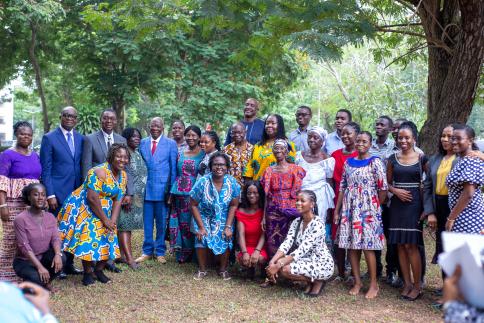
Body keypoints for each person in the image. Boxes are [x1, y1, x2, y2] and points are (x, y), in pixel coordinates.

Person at [58, 143, 129, 286]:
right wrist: (104, 219)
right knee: (90, 237)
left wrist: (112, 221)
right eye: (119, 156)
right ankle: (88, 272)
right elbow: (92, 198)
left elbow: (118, 199)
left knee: (109, 235)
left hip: (106, 208)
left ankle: (99, 270)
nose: (122, 160)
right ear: (111, 157)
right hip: (86, 206)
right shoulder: (98, 171)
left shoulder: (123, 175)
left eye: (126, 157)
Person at [334, 131, 388, 299]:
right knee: (352, 245)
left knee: (368, 246)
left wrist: (375, 207)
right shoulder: (349, 162)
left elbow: (383, 188)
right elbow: (342, 187)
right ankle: (357, 281)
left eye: (364, 141)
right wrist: (337, 210)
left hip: (368, 210)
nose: (360, 143)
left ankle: (373, 283)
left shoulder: (375, 162)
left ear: (370, 143)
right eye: (358, 141)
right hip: (350, 209)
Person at [81, 108, 131, 273]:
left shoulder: (121, 139)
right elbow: (87, 165)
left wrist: (127, 193)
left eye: (112, 118)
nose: (109, 121)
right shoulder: (90, 139)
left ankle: (106, 263)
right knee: (91, 233)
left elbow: (125, 169)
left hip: (112, 195)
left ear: (116, 121)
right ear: (101, 119)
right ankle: (89, 269)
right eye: (105, 118)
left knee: (109, 229)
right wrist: (88, 191)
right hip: (94, 194)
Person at [39, 106, 84, 278]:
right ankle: (57, 267)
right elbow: (46, 169)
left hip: (76, 193)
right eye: (66, 115)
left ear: (76, 119)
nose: (69, 118)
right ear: (60, 117)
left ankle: (70, 264)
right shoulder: (49, 138)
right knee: (56, 230)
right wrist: (50, 194)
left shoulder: (80, 139)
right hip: (57, 194)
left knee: (73, 228)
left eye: (73, 116)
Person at [387, 121, 428, 301]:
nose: (403, 141)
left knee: (412, 245)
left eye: (407, 138)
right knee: (400, 246)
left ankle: (418, 286)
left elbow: (429, 182)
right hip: (397, 205)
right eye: (400, 137)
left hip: (414, 204)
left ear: (414, 139)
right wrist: (395, 191)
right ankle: (407, 283)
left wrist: (427, 208)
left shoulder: (421, 158)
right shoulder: (392, 158)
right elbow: (386, 184)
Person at [265, 190, 334, 297]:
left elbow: (302, 249)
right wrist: (272, 261)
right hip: (305, 260)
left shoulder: (318, 223)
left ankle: (318, 281)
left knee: (284, 268)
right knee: (280, 265)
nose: (298, 203)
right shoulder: (297, 222)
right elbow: (286, 243)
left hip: (321, 263)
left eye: (302, 201)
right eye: (297, 200)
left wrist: (278, 265)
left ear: (312, 204)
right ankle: (310, 281)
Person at [0, 121, 41, 282]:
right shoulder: (7, 155)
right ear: (16, 134)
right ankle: (5, 276)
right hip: (13, 203)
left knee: (29, 239)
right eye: (23, 134)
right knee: (11, 238)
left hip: (32, 205)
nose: (26, 137)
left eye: (29, 134)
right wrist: (2, 205)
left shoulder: (34, 155)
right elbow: (1, 181)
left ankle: (25, 274)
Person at [190, 152, 240, 280]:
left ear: (227, 167)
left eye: (222, 165)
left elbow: (234, 205)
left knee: (226, 236)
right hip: (204, 215)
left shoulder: (232, 182)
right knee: (201, 237)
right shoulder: (203, 181)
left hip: (224, 216)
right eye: (216, 164)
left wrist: (228, 226)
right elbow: (193, 204)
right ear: (211, 166)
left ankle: (223, 269)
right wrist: (201, 227)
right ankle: (202, 269)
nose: (219, 167)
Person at [135, 117, 177, 265]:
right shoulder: (142, 143)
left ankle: (160, 251)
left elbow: (173, 168)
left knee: (161, 223)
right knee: (147, 223)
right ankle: (147, 251)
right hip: (146, 190)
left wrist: (171, 191)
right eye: (152, 125)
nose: (155, 128)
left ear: (163, 127)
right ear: (148, 127)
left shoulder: (171, 144)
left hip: (162, 190)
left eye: (158, 126)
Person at [13, 183, 65, 290]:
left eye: (43, 194)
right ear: (29, 197)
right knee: (35, 278)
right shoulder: (20, 219)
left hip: (44, 258)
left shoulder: (50, 217)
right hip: (25, 261)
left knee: (62, 258)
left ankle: (46, 283)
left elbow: (56, 238)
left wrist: (57, 254)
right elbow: (24, 246)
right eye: (36, 194)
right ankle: (34, 282)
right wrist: (40, 267)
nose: (40, 198)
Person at [260, 139, 305, 260]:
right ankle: (272, 271)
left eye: (281, 148)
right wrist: (264, 217)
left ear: (286, 152)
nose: (278, 150)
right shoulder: (268, 171)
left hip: (291, 211)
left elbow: (299, 194)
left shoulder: (296, 169)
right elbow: (266, 196)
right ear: (273, 151)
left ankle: (288, 270)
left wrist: (301, 212)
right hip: (273, 211)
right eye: (276, 148)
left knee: (291, 239)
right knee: (272, 239)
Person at [169, 125, 205, 263]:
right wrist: (171, 193)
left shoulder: (203, 153)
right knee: (179, 224)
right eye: (188, 135)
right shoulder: (180, 152)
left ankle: (194, 253)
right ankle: (182, 252)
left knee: (191, 223)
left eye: (194, 135)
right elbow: (175, 172)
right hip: (178, 192)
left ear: (199, 137)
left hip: (194, 195)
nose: (190, 138)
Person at [330, 121, 359, 280]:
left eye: (349, 133)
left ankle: (353, 273)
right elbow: (332, 181)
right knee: (337, 237)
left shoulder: (360, 155)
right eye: (343, 133)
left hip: (356, 199)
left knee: (354, 236)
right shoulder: (335, 155)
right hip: (338, 198)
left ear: (357, 135)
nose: (345, 136)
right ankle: (340, 272)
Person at [368, 116, 395, 282]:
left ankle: (390, 270)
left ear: (390, 129)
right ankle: (375, 268)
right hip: (372, 198)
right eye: (376, 124)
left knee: (390, 236)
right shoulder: (368, 146)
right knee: (374, 234)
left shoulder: (395, 147)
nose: (378, 127)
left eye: (382, 125)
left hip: (391, 199)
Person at [445, 124, 484, 234]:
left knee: (465, 251)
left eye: (459, 138)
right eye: (453, 138)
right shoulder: (461, 160)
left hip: (468, 218)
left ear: (470, 141)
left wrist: (451, 218)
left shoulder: (471, 160)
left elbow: (468, 193)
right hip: (461, 215)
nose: (454, 142)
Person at [117, 128, 147, 269]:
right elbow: (123, 174)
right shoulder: (124, 153)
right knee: (125, 226)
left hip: (138, 196)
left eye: (138, 136)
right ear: (126, 138)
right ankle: (129, 259)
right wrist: (126, 194)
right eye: (133, 136)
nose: (136, 138)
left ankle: (121, 255)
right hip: (127, 195)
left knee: (127, 226)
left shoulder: (137, 152)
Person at [295, 126, 335, 224]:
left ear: (322, 142)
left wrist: (329, 210)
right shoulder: (299, 156)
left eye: (315, 137)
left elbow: (329, 183)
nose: (311, 140)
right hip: (301, 197)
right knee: (300, 225)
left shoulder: (328, 160)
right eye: (310, 137)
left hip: (319, 199)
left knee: (317, 224)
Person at [243, 114, 297, 181]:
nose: (269, 125)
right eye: (267, 123)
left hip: (278, 187)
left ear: (279, 126)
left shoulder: (288, 145)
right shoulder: (257, 146)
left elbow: (292, 169)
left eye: (273, 123)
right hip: (257, 188)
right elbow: (250, 169)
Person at [235, 181, 268, 279]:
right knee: (244, 259)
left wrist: (257, 251)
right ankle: (250, 270)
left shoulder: (264, 211)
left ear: (260, 194)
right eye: (249, 193)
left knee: (260, 258)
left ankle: (263, 269)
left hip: (261, 247)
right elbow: (240, 234)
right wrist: (244, 252)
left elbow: (264, 234)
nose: (252, 195)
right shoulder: (241, 210)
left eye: (255, 193)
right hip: (247, 246)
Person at [222, 122, 254, 187]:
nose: (236, 135)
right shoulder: (226, 150)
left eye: (239, 132)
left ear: (245, 132)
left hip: (248, 189)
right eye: (234, 133)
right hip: (230, 188)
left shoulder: (253, 149)